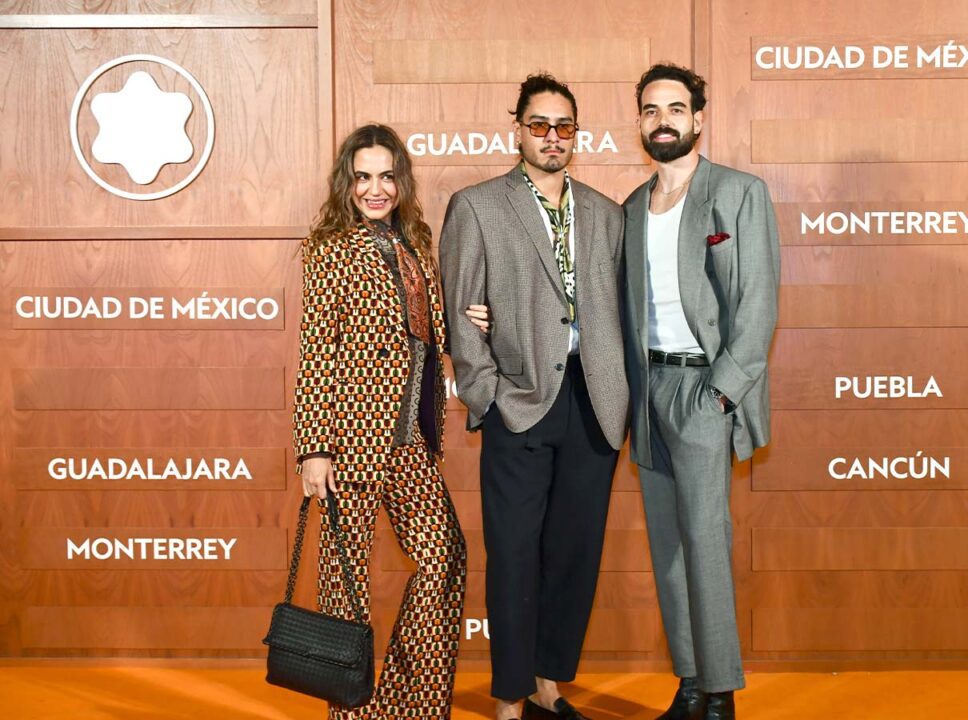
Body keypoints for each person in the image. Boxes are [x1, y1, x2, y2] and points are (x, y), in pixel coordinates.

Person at [439, 74, 629, 720]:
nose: (552, 137)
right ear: (517, 129)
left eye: (564, 126)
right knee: (515, 555)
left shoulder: (606, 213)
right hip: (518, 401)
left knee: (574, 554)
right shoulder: (478, 207)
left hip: (594, 403)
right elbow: (461, 314)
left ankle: (549, 683)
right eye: (539, 125)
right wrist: (486, 394)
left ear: (577, 134)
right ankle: (509, 696)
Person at [292, 123, 468, 720]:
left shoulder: (412, 242)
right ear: (347, 183)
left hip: (409, 438)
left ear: (401, 181)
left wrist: (471, 319)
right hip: (348, 439)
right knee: (346, 588)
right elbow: (317, 350)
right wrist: (314, 447)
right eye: (363, 177)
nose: (376, 189)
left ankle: (409, 702)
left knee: (443, 556)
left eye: (387, 176)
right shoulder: (330, 249)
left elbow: (426, 334)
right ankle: (350, 713)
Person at [622, 64, 780, 720]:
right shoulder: (631, 207)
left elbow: (758, 302)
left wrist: (721, 395)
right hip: (648, 390)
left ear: (697, 119)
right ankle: (689, 686)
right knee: (668, 546)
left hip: (703, 392)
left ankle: (719, 694)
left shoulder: (739, 193)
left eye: (675, 109)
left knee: (706, 542)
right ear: (639, 122)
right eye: (651, 109)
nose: (663, 120)